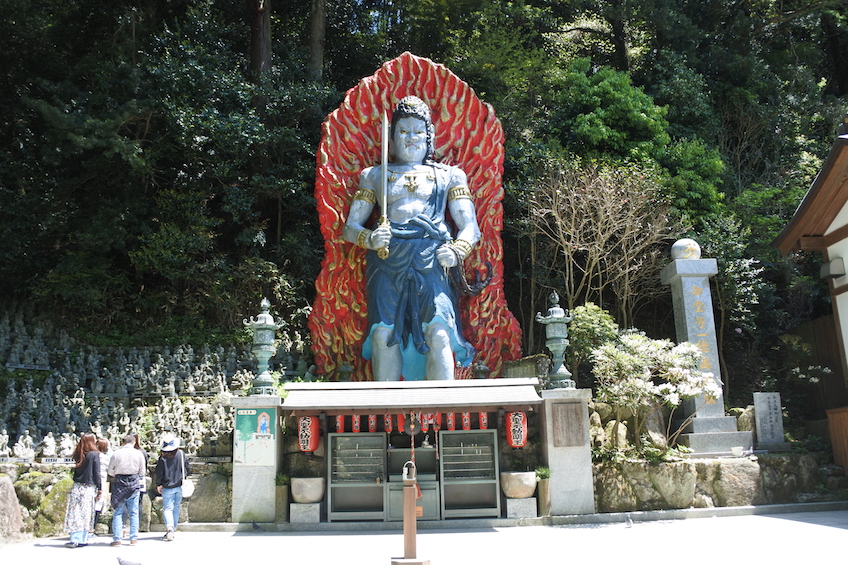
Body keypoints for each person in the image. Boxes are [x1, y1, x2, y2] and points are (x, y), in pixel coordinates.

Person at [342, 95, 480, 381]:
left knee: (440, 332)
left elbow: (471, 227)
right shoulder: (375, 175)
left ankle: (442, 417)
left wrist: (456, 251)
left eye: (418, 132)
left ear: (429, 137)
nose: (411, 138)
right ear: (391, 137)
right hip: (386, 258)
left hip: (432, 260)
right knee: (383, 334)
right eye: (403, 131)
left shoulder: (450, 176)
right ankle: (387, 419)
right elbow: (350, 227)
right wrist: (369, 238)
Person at [62, 432, 101, 548]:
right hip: (88, 487)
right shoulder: (94, 454)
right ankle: (82, 538)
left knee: (75, 513)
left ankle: (74, 537)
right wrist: (100, 488)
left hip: (76, 486)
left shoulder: (78, 454)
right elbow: (97, 473)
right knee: (85, 513)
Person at [107, 434, 146, 547]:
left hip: (119, 482)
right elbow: (142, 472)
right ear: (133, 442)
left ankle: (117, 539)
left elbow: (110, 471)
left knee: (118, 511)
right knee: (134, 512)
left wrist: (117, 474)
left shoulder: (116, 453)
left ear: (123, 442)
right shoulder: (138, 454)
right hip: (134, 481)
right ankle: (133, 538)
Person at [155, 433, 188, 541]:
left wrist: (159, 484)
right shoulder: (181, 454)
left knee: (168, 508)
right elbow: (187, 468)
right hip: (179, 485)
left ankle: (169, 529)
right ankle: (173, 529)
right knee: (176, 507)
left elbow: (159, 472)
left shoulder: (163, 457)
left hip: (167, 486)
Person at [91, 438, 111, 534]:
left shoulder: (91, 456)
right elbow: (110, 471)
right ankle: (92, 529)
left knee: (90, 506)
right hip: (101, 483)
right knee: (97, 507)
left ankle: (87, 529)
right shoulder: (105, 458)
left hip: (90, 483)